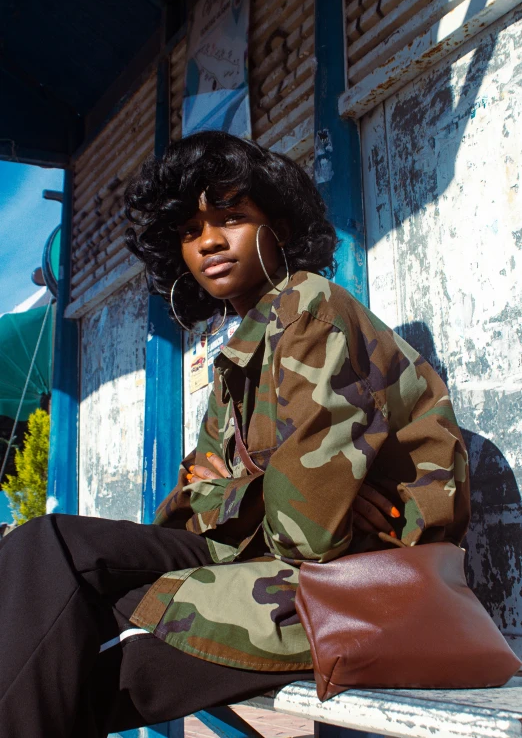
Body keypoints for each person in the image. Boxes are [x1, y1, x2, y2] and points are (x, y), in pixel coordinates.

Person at [0, 131, 470, 737]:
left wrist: (251, 487)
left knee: (77, 673)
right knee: (43, 551)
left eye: (231, 217)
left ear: (278, 224)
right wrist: (278, 485)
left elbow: (307, 533)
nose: (210, 242)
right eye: (190, 231)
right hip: (278, 572)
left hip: (366, 594)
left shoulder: (309, 308)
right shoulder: (241, 355)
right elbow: (181, 512)